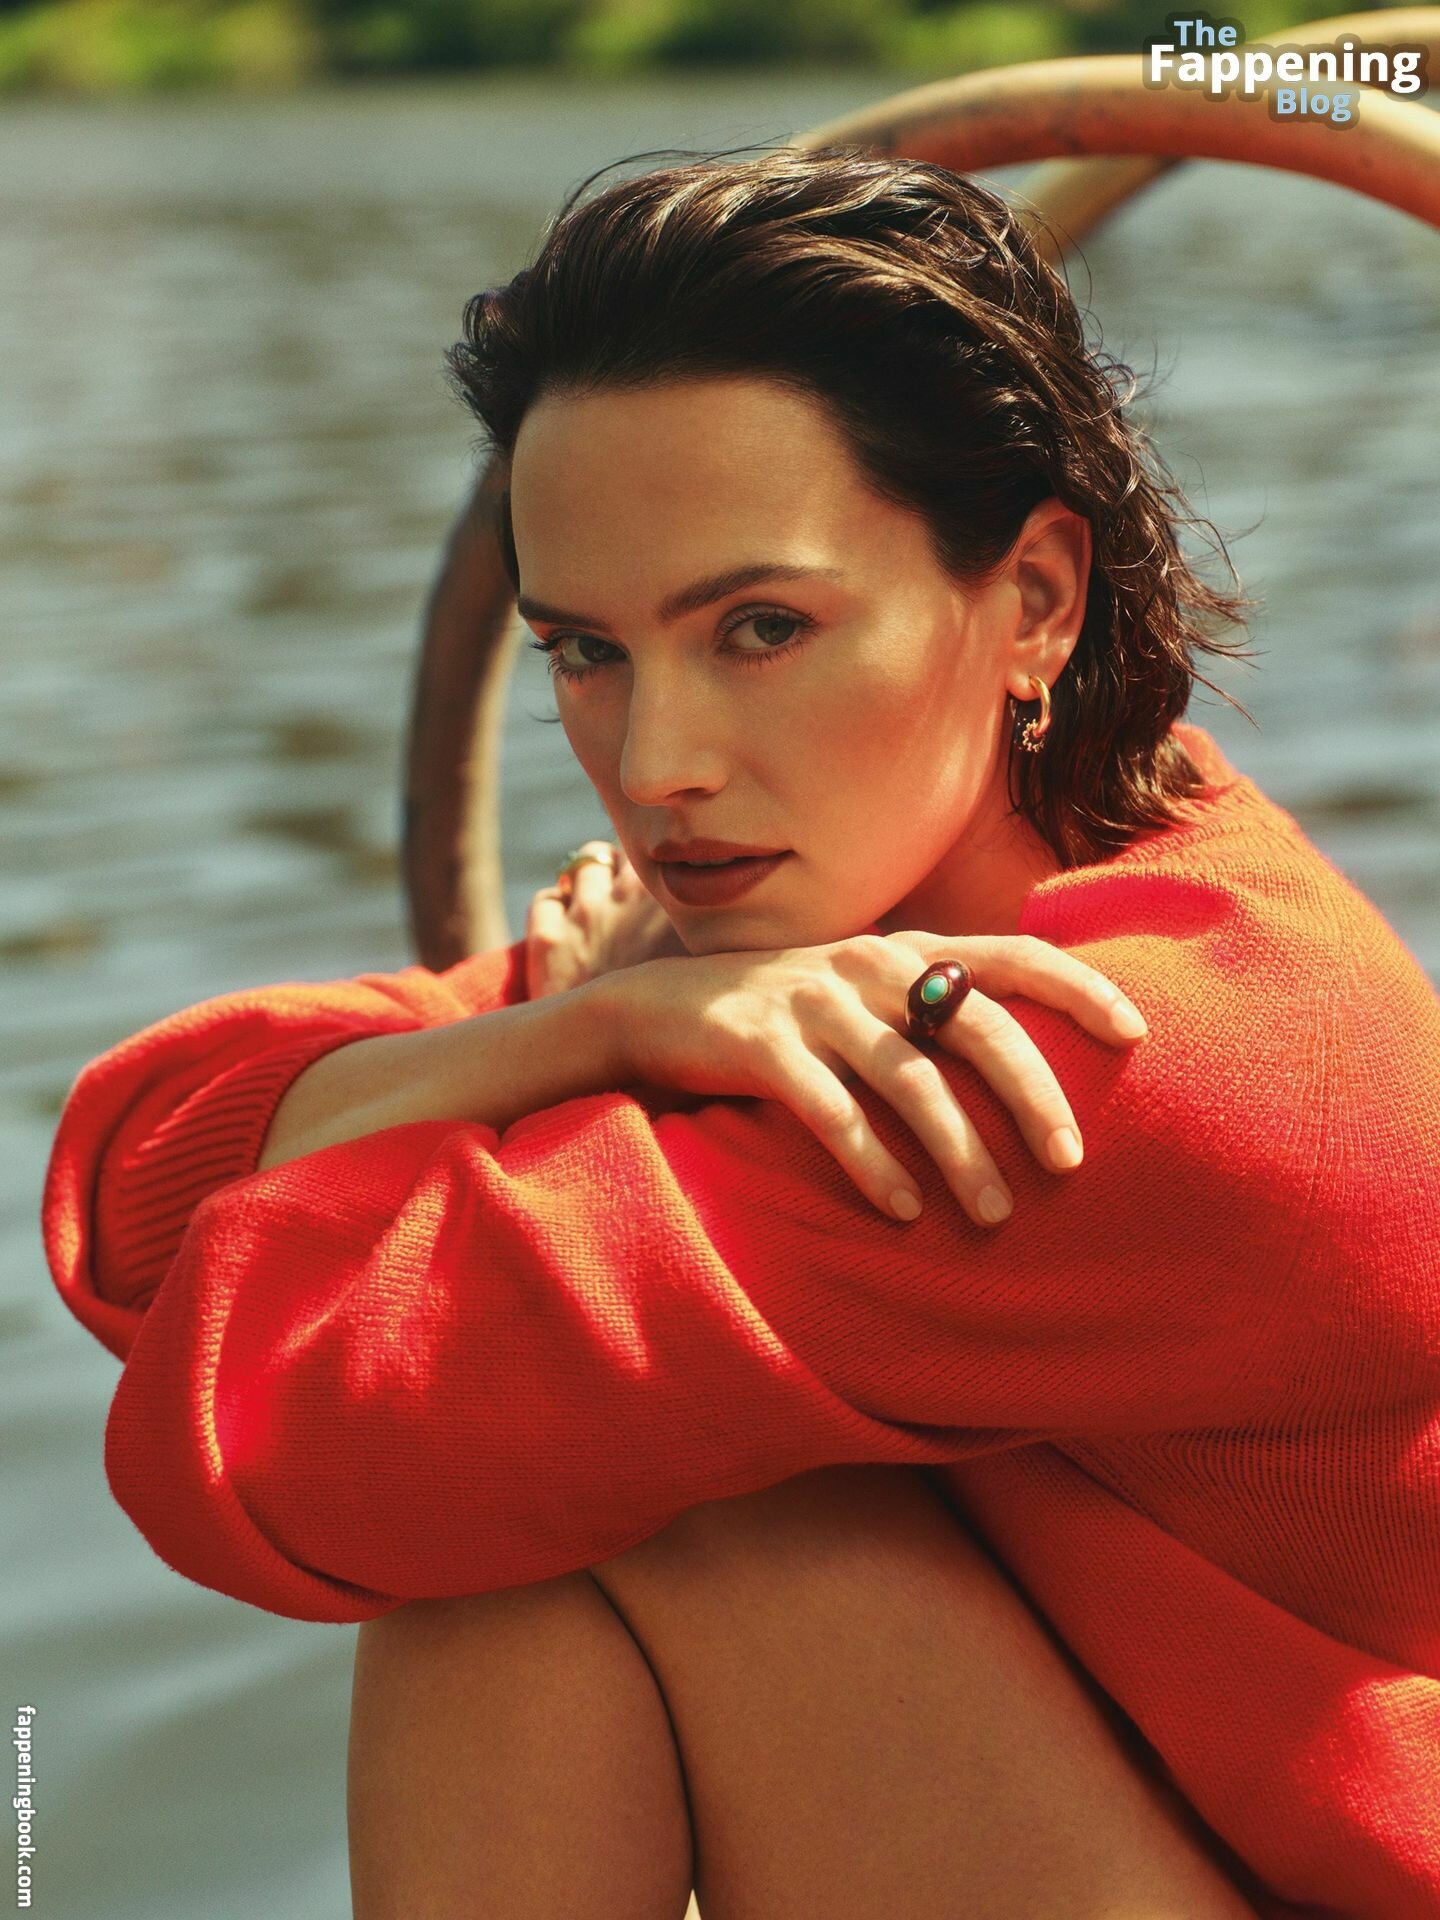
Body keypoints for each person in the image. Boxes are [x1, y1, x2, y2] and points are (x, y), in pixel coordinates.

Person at [40, 147, 1440, 1920]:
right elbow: (137, 1189)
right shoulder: (881, 883)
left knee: (553, 1493)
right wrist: (605, 1030)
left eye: (759, 629)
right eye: (584, 652)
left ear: (1034, 600)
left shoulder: (1097, 1056)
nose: (656, 768)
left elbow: (273, 1435)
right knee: (558, 1472)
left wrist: (575, 1032)